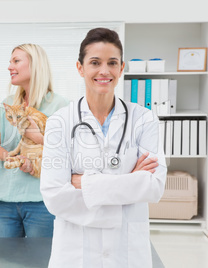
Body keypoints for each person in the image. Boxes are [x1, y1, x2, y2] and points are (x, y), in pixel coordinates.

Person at [40, 27, 167, 267]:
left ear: (121, 68)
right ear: (80, 68)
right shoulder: (60, 122)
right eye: (95, 62)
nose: (104, 71)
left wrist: (85, 183)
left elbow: (154, 186)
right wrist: (129, 184)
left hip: (127, 252)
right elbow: (55, 195)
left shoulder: (144, 119)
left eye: (112, 63)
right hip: (75, 253)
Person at [0, 43, 69, 237]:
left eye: (16, 61)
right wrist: (13, 158)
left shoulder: (60, 104)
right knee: (3, 263)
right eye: (10, 61)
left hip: (42, 202)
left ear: (35, 65)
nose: (9, 67)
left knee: (38, 262)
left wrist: (35, 136)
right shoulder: (9, 104)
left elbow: (66, 151)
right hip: (5, 203)